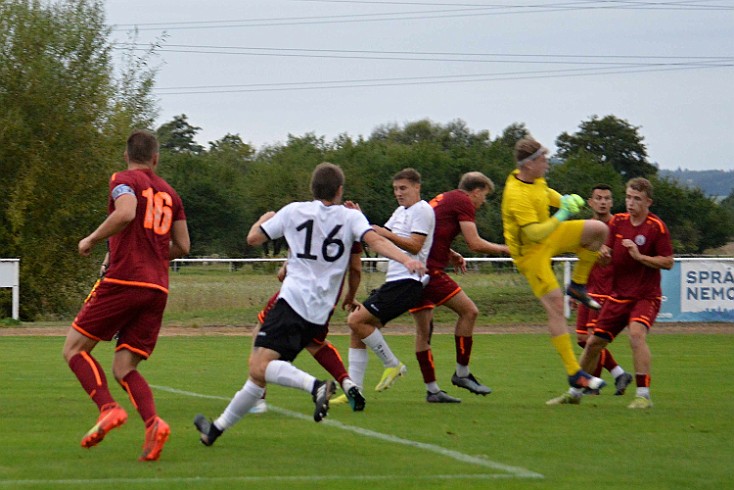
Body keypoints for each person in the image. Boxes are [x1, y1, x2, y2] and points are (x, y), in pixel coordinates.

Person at [194, 162, 425, 446]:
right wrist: (407, 259)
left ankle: (315, 386)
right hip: (319, 312)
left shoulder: (293, 210)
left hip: (292, 300)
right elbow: (375, 241)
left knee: (259, 366)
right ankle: (214, 430)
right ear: (340, 190)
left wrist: (264, 218)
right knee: (258, 375)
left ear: (312, 189)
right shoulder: (351, 218)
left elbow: (253, 238)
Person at [62, 130, 190, 462]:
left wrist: (89, 239)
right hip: (157, 288)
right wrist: (150, 254)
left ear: (126, 155)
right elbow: (184, 246)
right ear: (156, 158)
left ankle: (108, 408)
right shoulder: (171, 193)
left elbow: (126, 213)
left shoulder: (124, 179)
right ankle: (153, 423)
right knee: (124, 367)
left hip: (126, 281)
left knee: (74, 349)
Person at [499, 137, 609, 404]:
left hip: (547, 236)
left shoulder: (533, 179)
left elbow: (545, 193)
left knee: (599, 231)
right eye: (543, 159)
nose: (547, 163)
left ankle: (578, 285)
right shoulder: (515, 194)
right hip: (530, 253)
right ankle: (575, 374)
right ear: (530, 164)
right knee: (557, 307)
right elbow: (535, 233)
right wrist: (561, 215)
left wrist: (564, 200)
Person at [555, 177, 673, 407]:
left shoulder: (656, 227)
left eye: (637, 199)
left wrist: (640, 257)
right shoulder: (618, 222)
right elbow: (605, 254)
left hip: (645, 297)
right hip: (618, 296)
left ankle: (643, 395)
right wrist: (604, 257)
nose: (631, 203)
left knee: (636, 335)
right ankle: (575, 392)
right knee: (592, 344)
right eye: (628, 197)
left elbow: (668, 262)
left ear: (648, 201)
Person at [331, 168, 435, 406]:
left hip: (408, 282)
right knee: (358, 328)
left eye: (403, 188)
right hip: (396, 281)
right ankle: (354, 391)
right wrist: (362, 221)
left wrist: (378, 230)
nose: (398, 193)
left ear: (417, 187)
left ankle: (393, 364)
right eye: (396, 189)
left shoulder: (422, 210)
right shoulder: (400, 212)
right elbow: (379, 237)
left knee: (355, 321)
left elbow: (416, 246)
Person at [410, 172, 509, 403]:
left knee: (423, 332)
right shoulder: (463, 201)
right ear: (475, 191)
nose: (483, 202)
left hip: (412, 269)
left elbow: (431, 231)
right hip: (429, 271)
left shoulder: (445, 198)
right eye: (483, 196)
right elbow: (474, 243)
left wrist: (451, 253)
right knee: (469, 311)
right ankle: (462, 374)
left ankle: (433, 391)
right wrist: (505, 249)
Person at [252, 240, 366, 414]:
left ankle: (258, 396)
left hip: (296, 294)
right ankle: (346, 382)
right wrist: (350, 296)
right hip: (326, 300)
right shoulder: (352, 220)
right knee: (315, 343)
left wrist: (285, 267)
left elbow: (288, 265)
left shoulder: (309, 214)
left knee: (261, 331)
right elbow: (356, 268)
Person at [574, 184, 633, 396]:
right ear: (590, 202)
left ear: (611, 202)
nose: (602, 202)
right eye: (598, 198)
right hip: (588, 290)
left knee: (592, 339)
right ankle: (618, 374)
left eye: (606, 198)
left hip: (607, 292)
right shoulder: (586, 227)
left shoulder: (618, 227)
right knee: (583, 338)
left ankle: (593, 384)